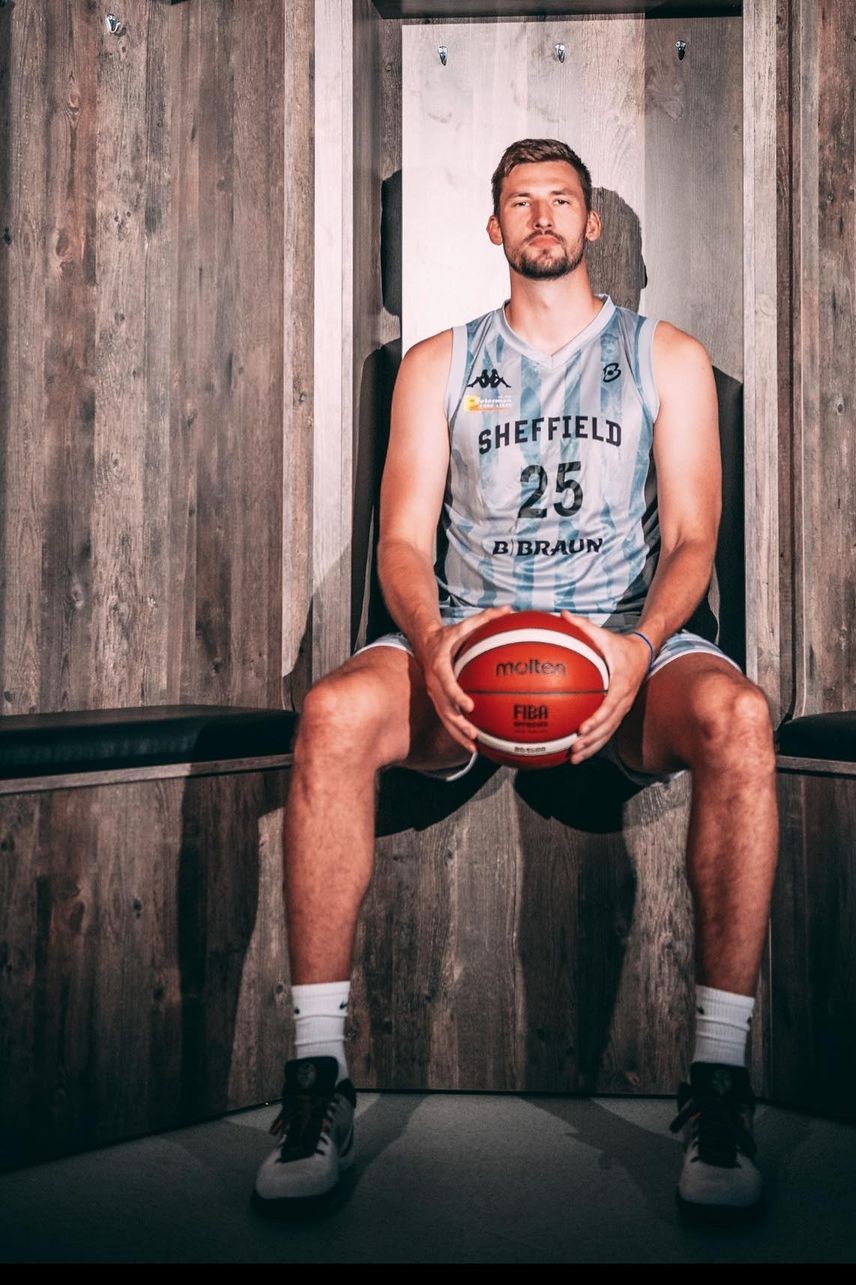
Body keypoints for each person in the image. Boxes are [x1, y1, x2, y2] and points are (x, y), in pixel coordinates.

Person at [252, 138, 779, 1225]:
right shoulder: (440, 363)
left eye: (563, 200)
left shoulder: (666, 356)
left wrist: (639, 647)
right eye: (522, 201)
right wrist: (435, 640)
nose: (543, 215)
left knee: (739, 718)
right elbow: (402, 542)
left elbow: (694, 537)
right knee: (332, 713)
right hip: (469, 645)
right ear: (494, 228)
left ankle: (720, 1086)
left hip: (620, 650)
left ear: (593, 225)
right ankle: (316, 1079)